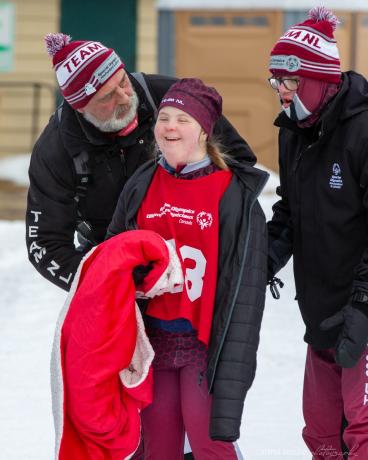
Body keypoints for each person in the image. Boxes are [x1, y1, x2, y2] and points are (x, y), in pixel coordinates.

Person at [106, 78, 269, 459]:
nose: (170, 127)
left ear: (204, 131)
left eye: (183, 118)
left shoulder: (233, 194)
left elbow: (245, 291)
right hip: (152, 343)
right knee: (158, 447)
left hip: (203, 344)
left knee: (209, 440)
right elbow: (113, 255)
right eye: (164, 117)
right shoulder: (142, 183)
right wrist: (138, 277)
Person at [25, 33, 256, 292]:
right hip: (115, 267)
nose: (124, 98)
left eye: (123, 82)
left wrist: (216, 240)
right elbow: (46, 245)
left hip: (199, 262)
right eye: (106, 97)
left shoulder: (168, 97)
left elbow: (240, 164)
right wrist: (108, 281)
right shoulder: (56, 149)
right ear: (80, 108)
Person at [267, 6, 368, 459]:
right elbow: (292, 209)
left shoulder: (363, 131)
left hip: (363, 310)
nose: (281, 93)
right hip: (322, 312)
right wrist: (261, 259)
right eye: (276, 83)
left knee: (362, 430)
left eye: (289, 82)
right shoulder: (295, 131)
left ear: (318, 79)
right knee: (324, 434)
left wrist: (362, 308)